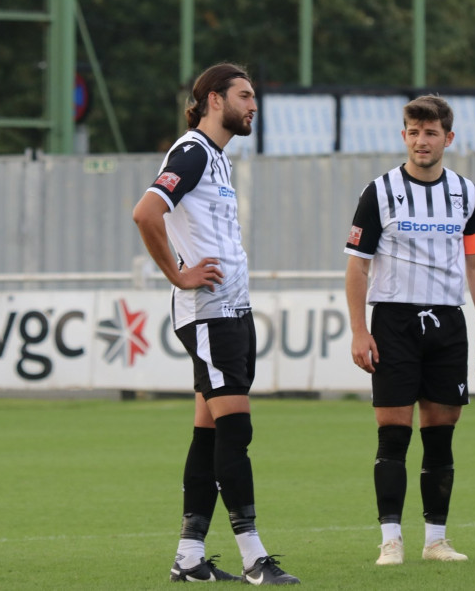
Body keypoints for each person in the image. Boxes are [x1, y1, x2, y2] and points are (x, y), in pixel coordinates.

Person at [132, 62, 299, 585]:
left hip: (232, 312)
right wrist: (178, 276)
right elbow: (145, 212)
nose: (253, 105)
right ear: (212, 100)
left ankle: (188, 558)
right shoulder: (191, 152)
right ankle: (254, 558)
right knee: (236, 428)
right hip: (209, 315)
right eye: (244, 95)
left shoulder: (218, 160)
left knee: (209, 436)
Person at [344, 94, 475, 566]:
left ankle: (436, 540)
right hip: (393, 321)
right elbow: (357, 267)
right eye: (413, 131)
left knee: (441, 433)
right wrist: (358, 330)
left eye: (430, 133)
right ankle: (391, 539)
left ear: (448, 138)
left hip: (447, 322)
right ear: (404, 135)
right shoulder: (379, 191)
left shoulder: (467, 194)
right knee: (393, 433)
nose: (421, 141)